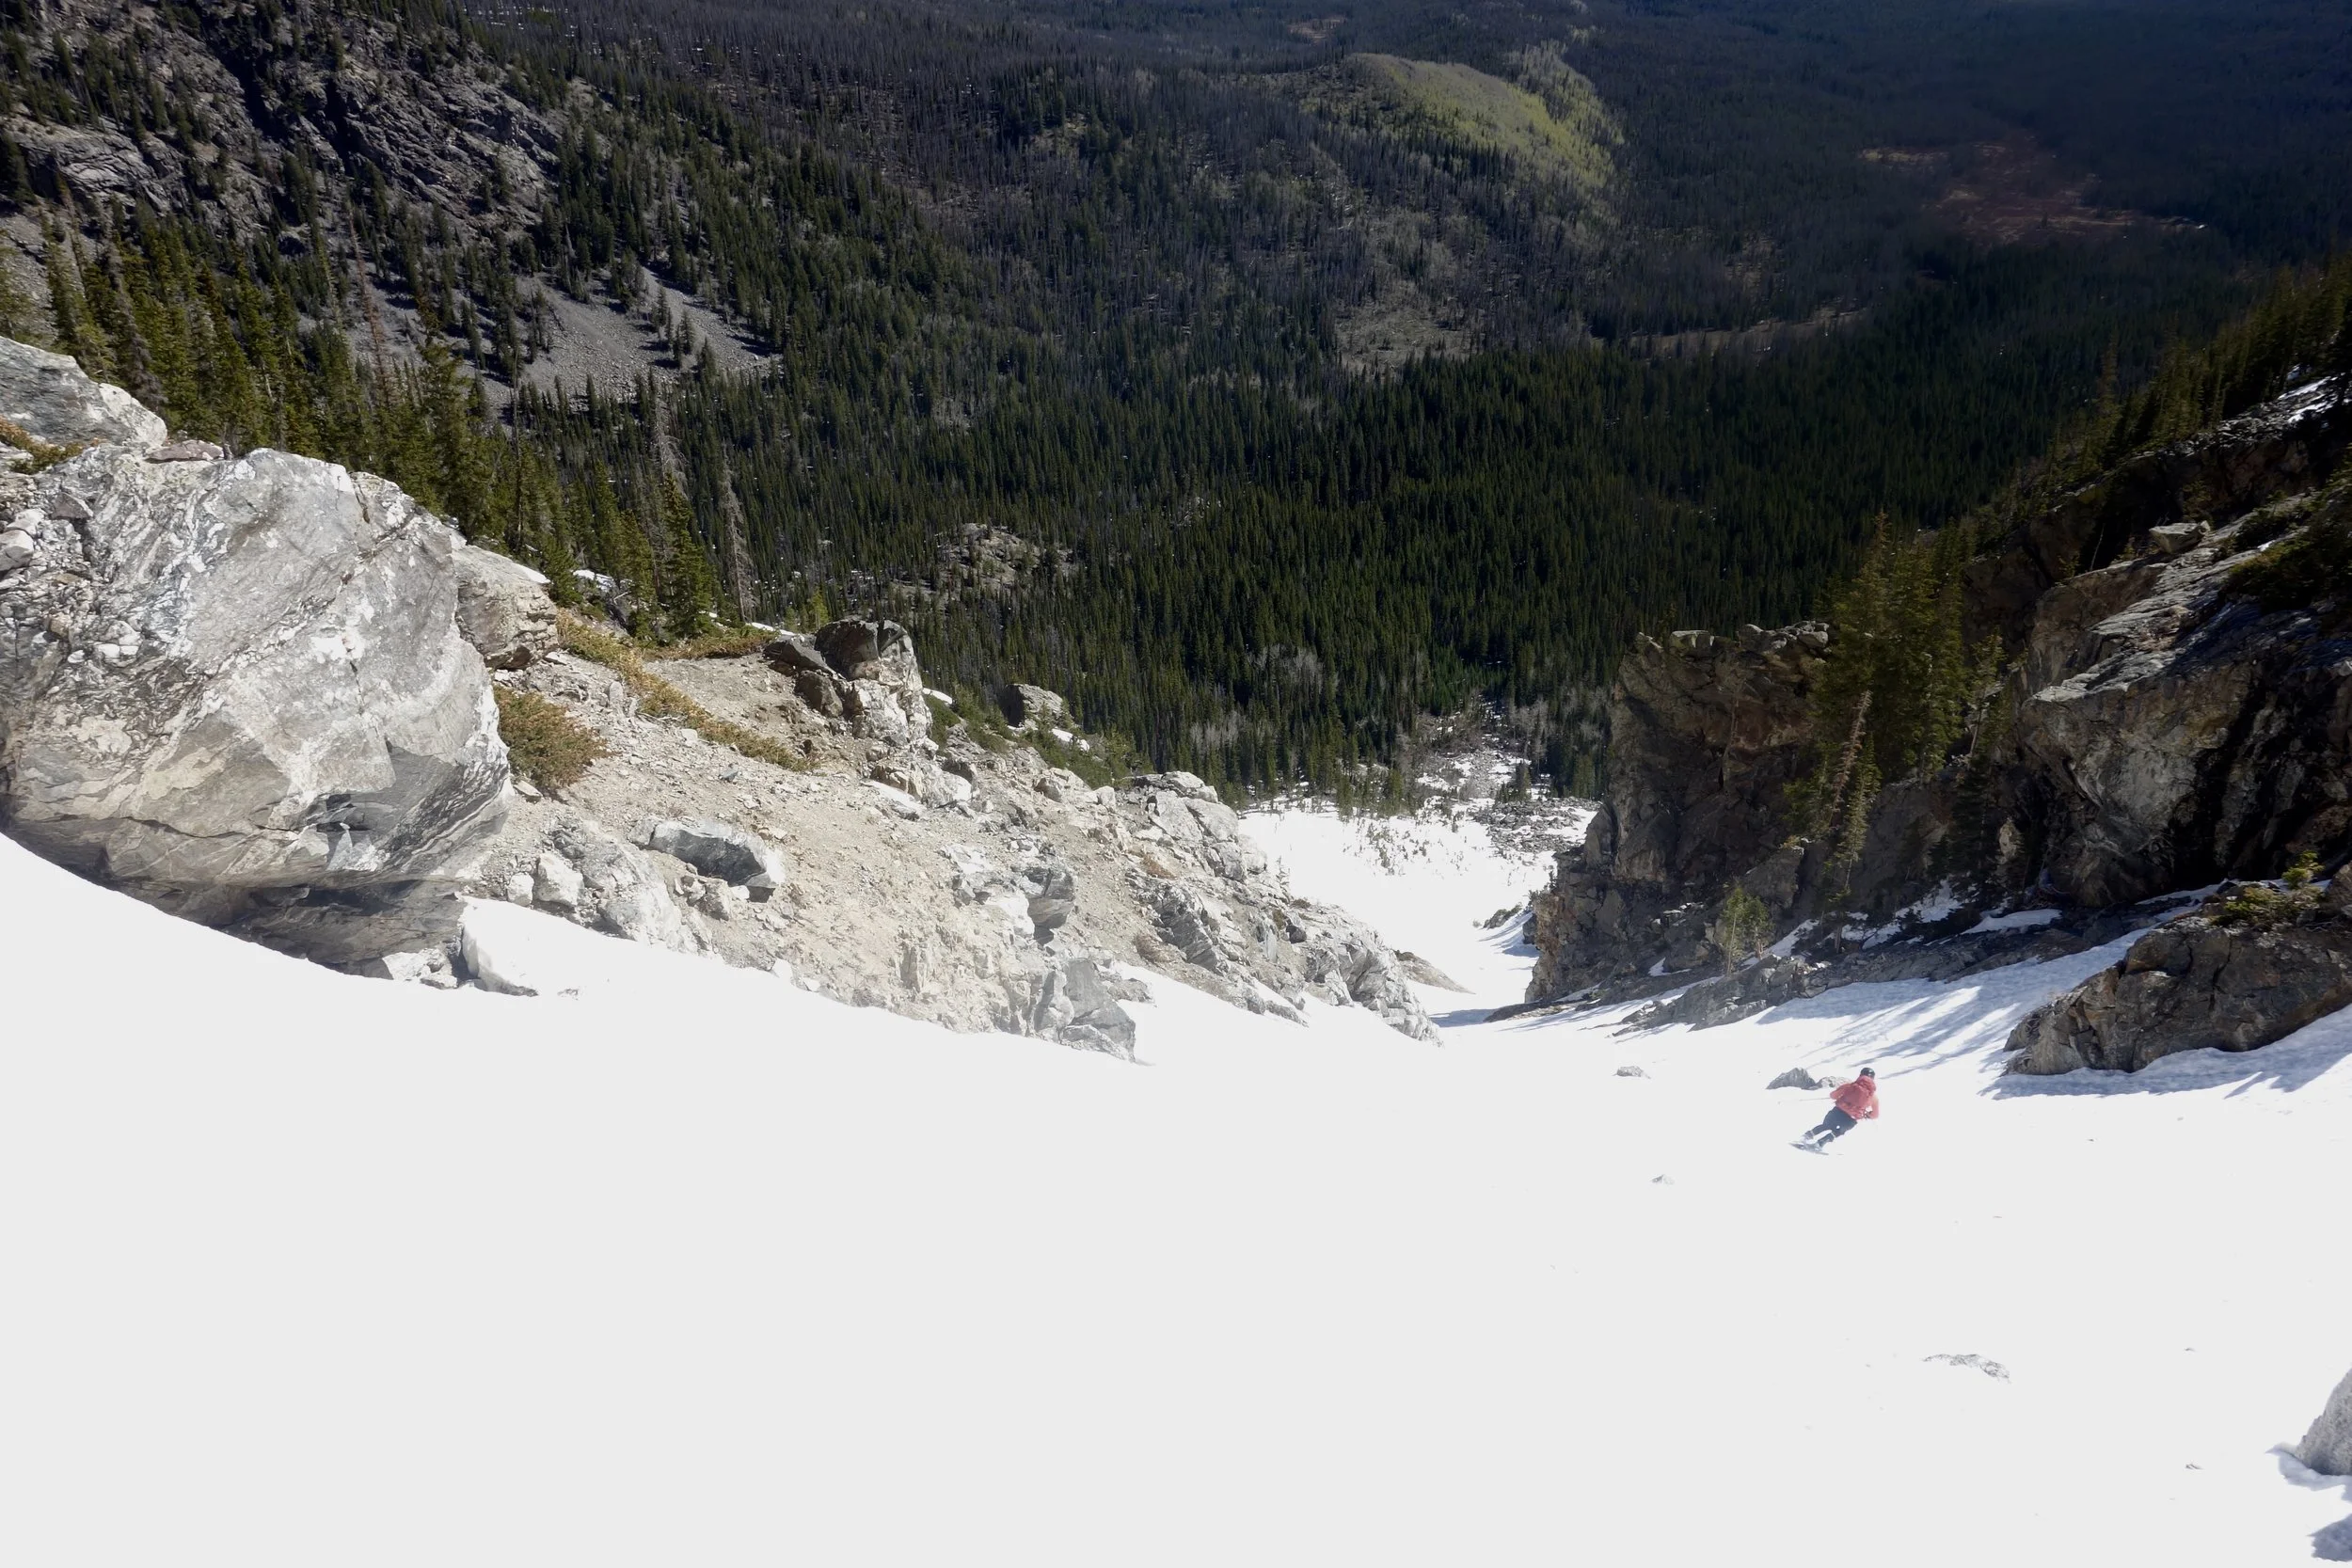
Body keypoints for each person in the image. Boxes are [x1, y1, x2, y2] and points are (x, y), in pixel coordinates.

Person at [1798, 1067, 1878, 1149]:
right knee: (1838, 1132)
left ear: (1860, 1075)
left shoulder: (1850, 1086)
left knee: (1826, 1125)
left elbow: (1833, 1095)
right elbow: (1875, 1115)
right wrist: (1868, 1114)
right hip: (1851, 1119)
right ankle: (1820, 1143)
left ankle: (1806, 1136)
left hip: (1838, 1112)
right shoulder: (1873, 1097)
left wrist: (1842, 1098)